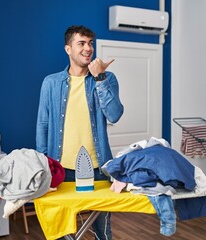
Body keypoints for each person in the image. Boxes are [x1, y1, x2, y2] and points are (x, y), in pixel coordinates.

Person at [36, 25, 124, 240]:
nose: (88, 48)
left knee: (103, 230)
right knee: (61, 229)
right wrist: (42, 166)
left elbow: (114, 115)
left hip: (98, 168)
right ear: (68, 49)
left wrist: (100, 78)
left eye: (91, 43)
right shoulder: (51, 83)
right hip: (61, 169)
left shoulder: (106, 78)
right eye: (81, 43)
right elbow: (43, 124)